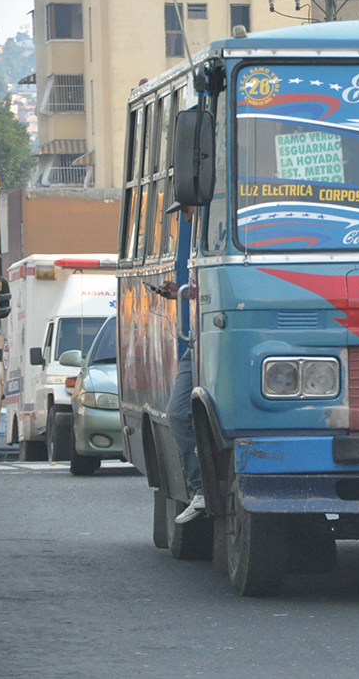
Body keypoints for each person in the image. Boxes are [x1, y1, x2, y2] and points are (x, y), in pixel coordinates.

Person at [155, 202, 204, 525]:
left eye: (186, 210)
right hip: (197, 341)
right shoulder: (198, 244)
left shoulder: (219, 237)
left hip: (214, 341)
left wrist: (187, 293)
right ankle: (201, 488)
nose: (184, 218)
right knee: (178, 412)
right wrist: (181, 293)